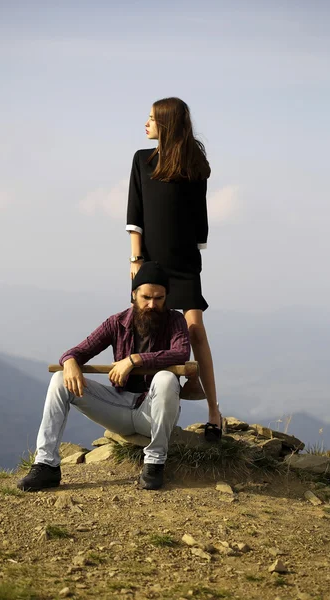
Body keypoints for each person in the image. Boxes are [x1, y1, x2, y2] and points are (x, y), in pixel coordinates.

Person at [17, 262, 190, 493]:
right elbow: (77, 351)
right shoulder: (116, 323)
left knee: (167, 379)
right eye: (146, 297)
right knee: (59, 380)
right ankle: (47, 465)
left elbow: (180, 353)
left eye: (159, 298)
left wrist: (134, 360)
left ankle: (155, 463)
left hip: (153, 411)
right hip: (117, 407)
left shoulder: (175, 321)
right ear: (133, 294)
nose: (152, 304)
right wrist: (69, 362)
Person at [126, 97, 222, 438]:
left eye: (152, 118)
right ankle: (141, 406)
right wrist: (136, 261)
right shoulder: (141, 160)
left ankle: (213, 411)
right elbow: (135, 216)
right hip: (150, 263)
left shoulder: (194, 165)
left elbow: (199, 216)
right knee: (148, 326)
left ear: (167, 124)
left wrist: (196, 251)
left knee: (195, 329)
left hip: (184, 262)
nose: (146, 123)